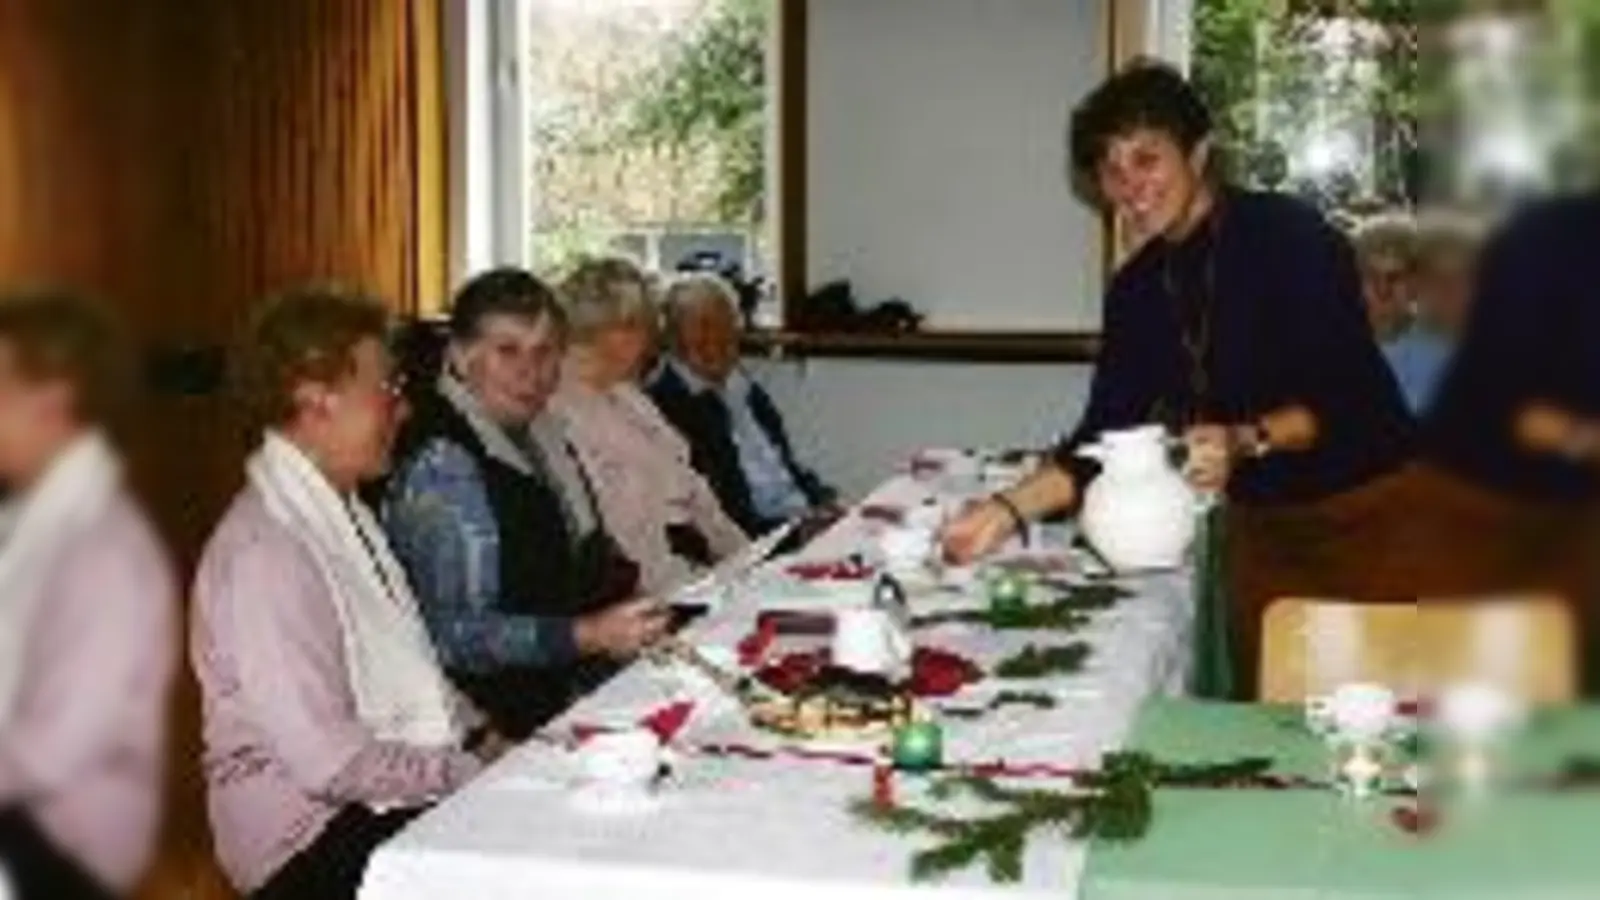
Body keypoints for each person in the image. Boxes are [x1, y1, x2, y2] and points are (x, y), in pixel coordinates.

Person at [940, 62, 1413, 696]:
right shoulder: (1137, 290)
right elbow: (1100, 438)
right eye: (1111, 168)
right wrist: (1003, 511)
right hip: (1262, 536)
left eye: (1146, 159)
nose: (1129, 185)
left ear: (1198, 152)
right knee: (1277, 727)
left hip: (1373, 518)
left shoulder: (1290, 238)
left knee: (1388, 725)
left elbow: (1346, 401)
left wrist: (1245, 439)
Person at [192, 288, 498, 900]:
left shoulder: (342, 514)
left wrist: (493, 740)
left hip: (361, 809)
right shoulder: (267, 551)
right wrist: (473, 772)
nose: (404, 409)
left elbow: (417, 673)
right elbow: (329, 764)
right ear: (315, 399)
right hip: (305, 845)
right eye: (387, 388)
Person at [384, 268, 669, 740]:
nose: (530, 372)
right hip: (491, 726)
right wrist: (590, 634)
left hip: (568, 684)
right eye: (507, 350)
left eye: (545, 352)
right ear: (460, 356)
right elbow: (455, 639)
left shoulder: (540, 429)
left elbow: (581, 551)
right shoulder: (444, 466)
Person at [0, 293, 176, 900]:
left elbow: (54, 748)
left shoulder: (106, 550)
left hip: (60, 843)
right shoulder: (29, 520)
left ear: (55, 401)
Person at [551, 257, 750, 595]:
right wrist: (700, 588)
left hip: (698, 573)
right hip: (651, 591)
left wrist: (749, 561)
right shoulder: (560, 410)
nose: (651, 345)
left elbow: (697, 493)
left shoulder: (628, 396)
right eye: (646, 329)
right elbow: (626, 540)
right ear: (617, 332)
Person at [648, 273, 839, 536]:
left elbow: (784, 465)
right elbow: (719, 514)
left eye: (726, 323)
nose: (716, 336)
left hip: (796, 522)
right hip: (757, 541)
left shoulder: (745, 388)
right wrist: (794, 534)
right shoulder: (666, 405)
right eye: (702, 325)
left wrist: (824, 501)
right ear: (671, 336)